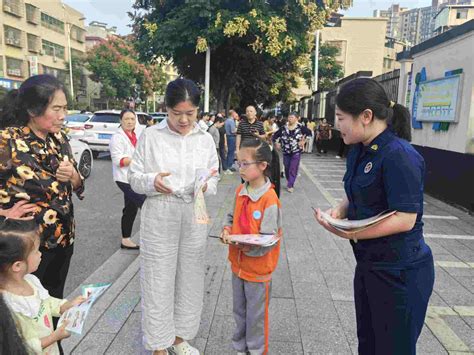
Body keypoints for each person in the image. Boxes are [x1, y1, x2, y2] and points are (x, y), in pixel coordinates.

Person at [314, 78, 434, 355]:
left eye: (341, 118)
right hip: (369, 266)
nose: (336, 125)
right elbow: (358, 190)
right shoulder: (359, 149)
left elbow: (406, 218)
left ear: (366, 116)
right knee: (368, 346)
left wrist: (349, 232)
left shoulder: (400, 155)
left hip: (399, 272)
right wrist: (340, 210)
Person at [128, 78, 219, 355]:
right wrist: (152, 181)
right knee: (158, 278)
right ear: (165, 108)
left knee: (190, 278)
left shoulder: (204, 139)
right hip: (160, 211)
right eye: (176, 113)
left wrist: (205, 185)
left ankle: (180, 338)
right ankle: (158, 344)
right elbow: (134, 177)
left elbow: (214, 177)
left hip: (194, 211)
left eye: (190, 113)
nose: (183, 120)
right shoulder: (151, 137)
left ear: (197, 111)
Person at [0, 74, 84, 302]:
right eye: (56, 109)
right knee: (27, 311)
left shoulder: (59, 139)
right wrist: (4, 214)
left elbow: (77, 184)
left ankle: (55, 339)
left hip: (63, 240)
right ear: (32, 109)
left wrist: (74, 176)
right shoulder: (7, 141)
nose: (62, 116)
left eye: (65, 108)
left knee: (54, 303)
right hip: (24, 246)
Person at [220, 139, 282, 355]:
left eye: (245, 163)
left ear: (263, 165)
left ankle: (256, 351)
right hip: (237, 266)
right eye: (238, 162)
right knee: (239, 311)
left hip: (258, 270)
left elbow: (268, 239)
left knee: (256, 316)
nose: (240, 167)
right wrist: (227, 230)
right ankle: (240, 348)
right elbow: (231, 216)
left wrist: (244, 245)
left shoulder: (269, 198)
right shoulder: (240, 190)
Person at [0, 219, 86, 354]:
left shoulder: (31, 280)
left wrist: (66, 306)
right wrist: (55, 337)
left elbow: (47, 302)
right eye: (36, 251)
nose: (41, 254)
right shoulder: (9, 305)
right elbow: (23, 345)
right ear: (17, 266)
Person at [109, 109, 146, 250]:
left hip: (135, 176)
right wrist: (138, 160)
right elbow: (118, 160)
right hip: (124, 179)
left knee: (130, 209)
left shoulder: (135, 134)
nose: (130, 122)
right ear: (121, 121)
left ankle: (125, 240)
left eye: (132, 119)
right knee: (146, 204)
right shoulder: (117, 138)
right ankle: (152, 241)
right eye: (127, 119)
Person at [272, 112, 310, 193]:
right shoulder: (283, 128)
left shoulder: (301, 127)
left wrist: (304, 141)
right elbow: (274, 136)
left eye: (292, 117)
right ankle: (290, 180)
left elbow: (309, 134)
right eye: (289, 117)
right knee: (286, 167)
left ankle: (290, 185)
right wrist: (277, 143)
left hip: (296, 151)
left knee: (293, 168)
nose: (290, 119)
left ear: (297, 118)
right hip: (286, 152)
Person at [224, 110, 239, 174]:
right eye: (236, 115)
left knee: (229, 152)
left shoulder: (227, 120)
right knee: (231, 152)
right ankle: (229, 166)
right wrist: (238, 130)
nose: (236, 116)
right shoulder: (231, 121)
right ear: (232, 114)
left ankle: (228, 165)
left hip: (228, 137)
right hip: (231, 137)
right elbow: (233, 131)